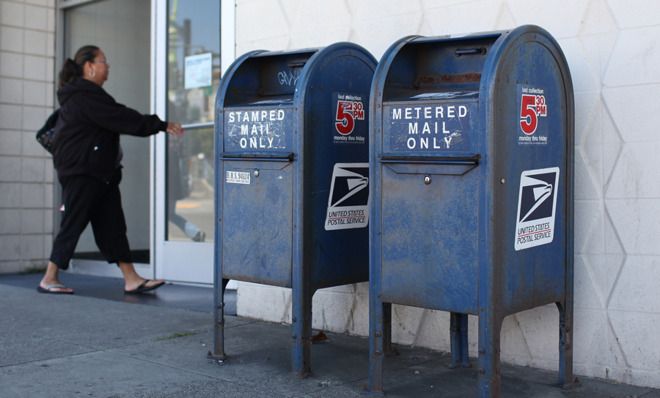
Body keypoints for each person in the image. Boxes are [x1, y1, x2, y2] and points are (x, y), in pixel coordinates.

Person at [38, 45, 184, 295]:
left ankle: (131, 279)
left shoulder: (84, 95)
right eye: (104, 61)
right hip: (83, 172)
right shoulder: (85, 95)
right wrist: (159, 124)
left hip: (100, 173)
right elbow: (120, 117)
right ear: (89, 66)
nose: (108, 67)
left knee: (113, 226)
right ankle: (49, 277)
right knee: (73, 223)